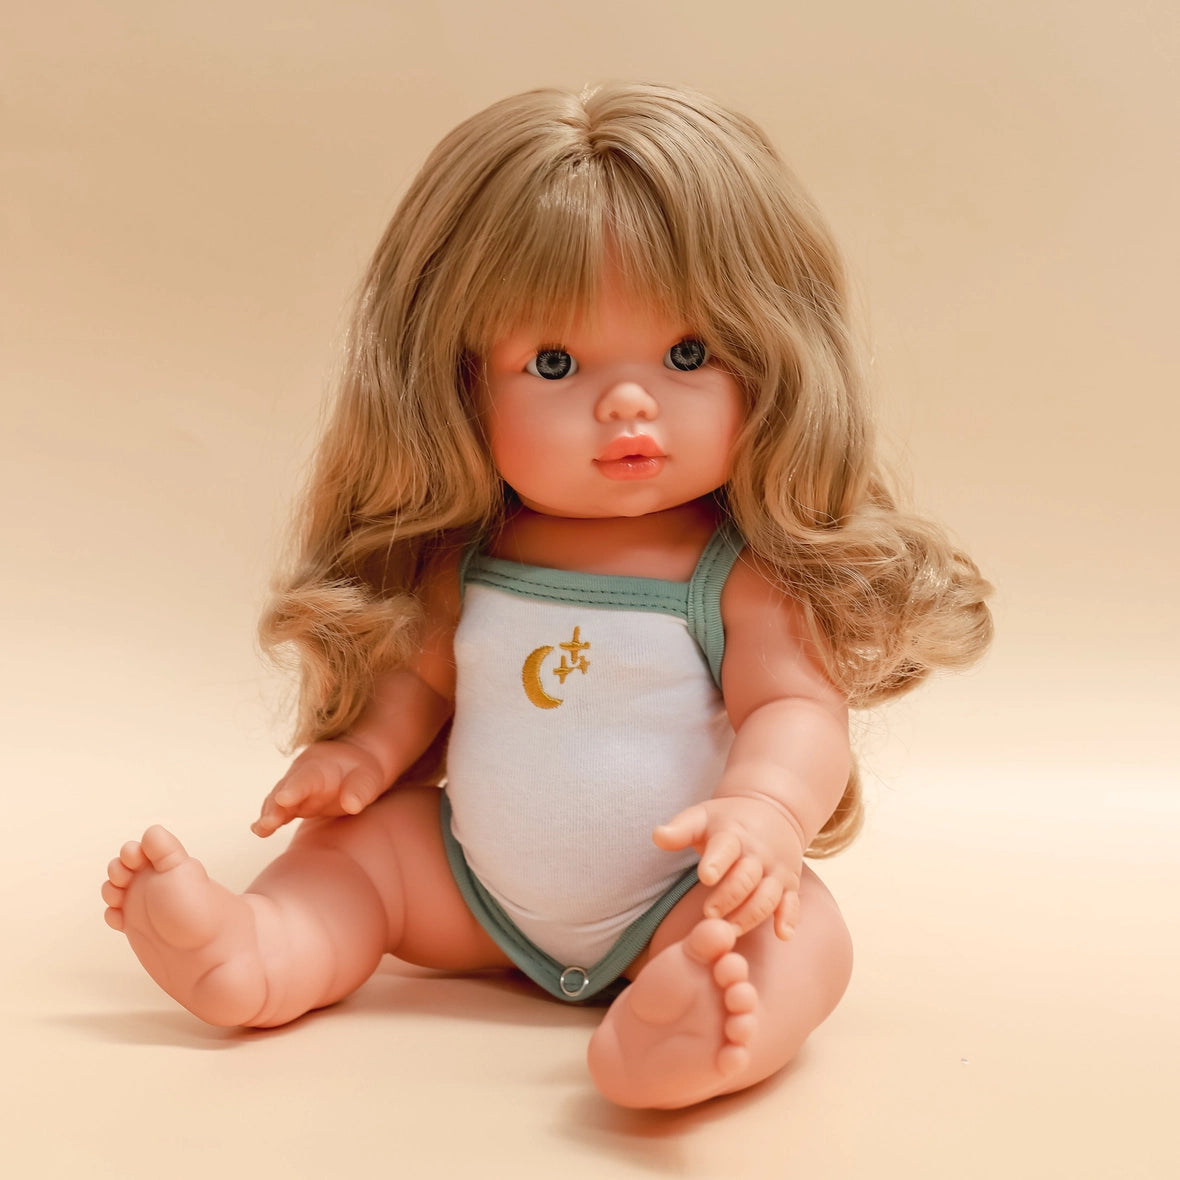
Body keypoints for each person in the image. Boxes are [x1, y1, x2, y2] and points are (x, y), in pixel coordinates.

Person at [102, 83, 992, 1109]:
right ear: (454, 385)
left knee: (801, 932)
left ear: (773, 360)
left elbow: (795, 707)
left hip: (672, 896)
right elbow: (421, 683)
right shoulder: (466, 560)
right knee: (355, 851)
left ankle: (687, 1031)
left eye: (687, 354)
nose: (629, 402)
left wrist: (765, 808)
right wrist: (365, 754)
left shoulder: (737, 575)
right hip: (468, 886)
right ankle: (262, 948)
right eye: (555, 363)